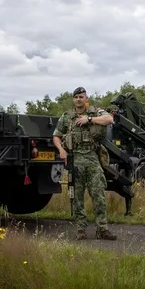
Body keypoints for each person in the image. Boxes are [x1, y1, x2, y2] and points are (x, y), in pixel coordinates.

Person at [52, 86, 117, 241]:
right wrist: (61, 150)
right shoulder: (67, 117)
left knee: (98, 195)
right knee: (77, 198)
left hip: (92, 159)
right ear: (73, 100)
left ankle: (102, 229)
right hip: (76, 161)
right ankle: (81, 229)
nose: (79, 99)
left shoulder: (96, 112)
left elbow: (109, 119)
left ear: (86, 99)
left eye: (82, 97)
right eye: (76, 97)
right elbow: (56, 135)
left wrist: (89, 119)